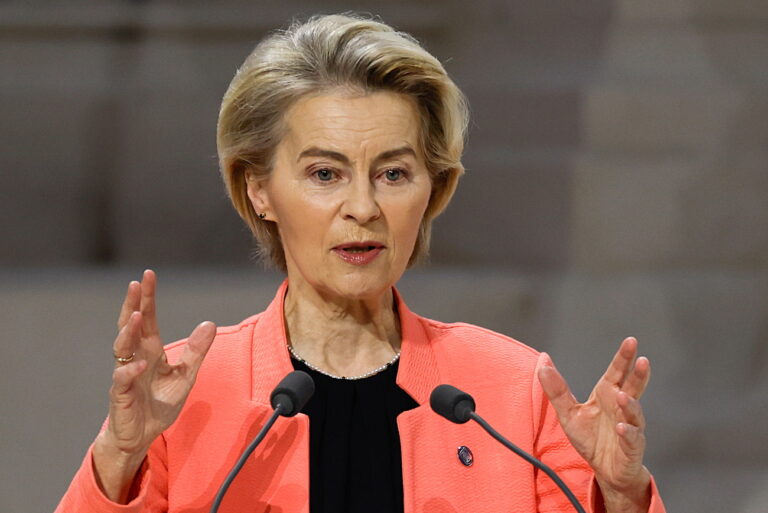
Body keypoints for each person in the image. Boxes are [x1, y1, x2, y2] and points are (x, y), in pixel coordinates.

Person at [56, 13, 665, 513]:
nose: (364, 208)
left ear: (435, 190)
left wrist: (619, 495)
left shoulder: (509, 395)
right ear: (259, 190)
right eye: (325, 174)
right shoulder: (189, 396)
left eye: (394, 174)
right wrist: (120, 454)